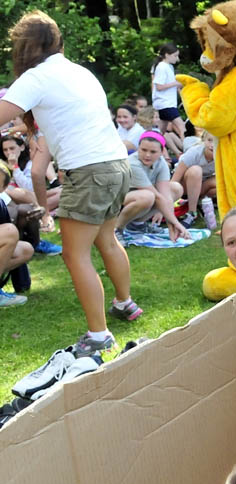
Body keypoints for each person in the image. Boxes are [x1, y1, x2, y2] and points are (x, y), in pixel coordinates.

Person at [0, 10, 148, 354]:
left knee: (74, 254)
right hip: (115, 165)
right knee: (107, 240)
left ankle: (99, 334)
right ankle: (125, 302)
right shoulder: (79, 72)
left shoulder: (36, 77)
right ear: (56, 41)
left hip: (89, 172)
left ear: (23, 47)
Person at [117, 132, 187, 237]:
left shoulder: (161, 162)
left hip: (135, 198)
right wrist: (176, 224)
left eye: (153, 151)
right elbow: (158, 198)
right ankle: (117, 229)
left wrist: (171, 224)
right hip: (115, 202)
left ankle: (137, 225)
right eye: (143, 150)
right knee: (148, 196)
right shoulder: (133, 164)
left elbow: (166, 196)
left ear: (162, 152)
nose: (147, 155)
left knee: (176, 188)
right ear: (138, 148)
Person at [171, 131, 217, 228]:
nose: (212, 145)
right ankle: (191, 213)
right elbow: (174, 180)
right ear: (204, 140)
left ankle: (201, 202)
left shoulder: (221, 156)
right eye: (209, 140)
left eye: (216, 142)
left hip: (200, 185)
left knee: (220, 182)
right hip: (182, 185)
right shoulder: (195, 152)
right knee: (196, 170)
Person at [151, 43, 185, 141]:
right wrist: (175, 84)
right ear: (167, 55)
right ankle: (188, 148)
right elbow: (159, 86)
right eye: (175, 56)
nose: (177, 58)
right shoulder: (162, 67)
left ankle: (155, 146)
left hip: (167, 103)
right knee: (181, 127)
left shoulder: (168, 67)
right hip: (165, 103)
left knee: (160, 132)